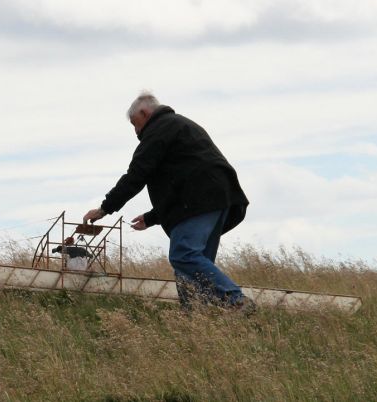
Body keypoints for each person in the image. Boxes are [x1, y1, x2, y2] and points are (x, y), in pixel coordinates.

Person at [83, 91, 254, 312]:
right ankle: (194, 320)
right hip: (220, 200)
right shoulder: (181, 126)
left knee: (184, 255)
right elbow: (182, 179)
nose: (136, 132)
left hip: (198, 203)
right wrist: (152, 217)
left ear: (145, 113)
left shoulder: (158, 130)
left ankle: (236, 301)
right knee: (193, 268)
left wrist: (104, 209)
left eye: (135, 124)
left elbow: (136, 176)